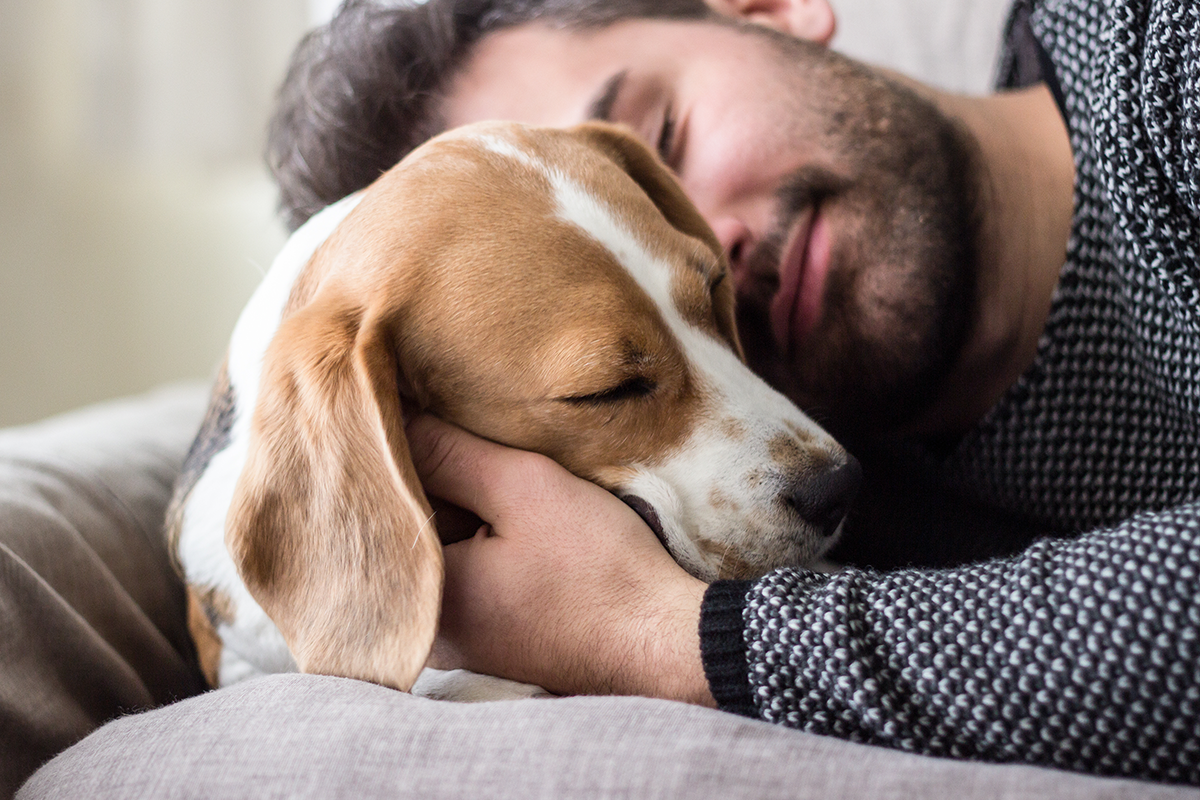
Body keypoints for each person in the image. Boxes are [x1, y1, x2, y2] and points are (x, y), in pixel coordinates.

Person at [265, 0, 1200, 785]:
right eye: (604, 378)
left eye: (655, 142)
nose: (703, 241)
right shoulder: (839, 501)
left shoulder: (1162, 54)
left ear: (764, 5)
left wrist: (671, 639)